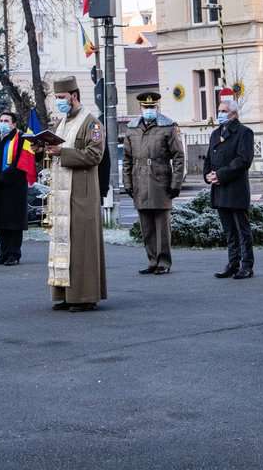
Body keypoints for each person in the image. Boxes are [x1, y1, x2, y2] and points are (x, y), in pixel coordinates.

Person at [44, 76, 107, 312]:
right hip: (63, 194)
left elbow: (94, 156)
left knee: (82, 246)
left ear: (74, 95)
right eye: (56, 98)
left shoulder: (92, 123)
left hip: (82, 193)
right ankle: (65, 293)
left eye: (61, 98)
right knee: (64, 245)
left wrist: (62, 152)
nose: (58, 102)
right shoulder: (63, 123)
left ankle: (85, 296)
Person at [122, 92, 186, 275]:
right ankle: (152, 260)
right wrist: (127, 183)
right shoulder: (132, 128)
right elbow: (127, 159)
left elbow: (178, 157)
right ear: (140, 108)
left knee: (162, 226)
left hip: (161, 181)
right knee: (147, 226)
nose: (149, 110)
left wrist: (176, 183)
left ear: (157, 107)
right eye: (145, 107)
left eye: (152, 107)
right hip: (139, 181)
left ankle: (163, 262)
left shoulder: (167, 126)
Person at [205, 99, 255, 279]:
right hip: (219, 189)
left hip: (235, 188)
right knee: (229, 230)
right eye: (219, 110)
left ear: (233, 113)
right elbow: (209, 157)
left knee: (242, 229)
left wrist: (221, 174)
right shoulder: (215, 133)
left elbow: (243, 160)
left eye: (224, 111)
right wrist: (208, 175)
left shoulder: (244, 133)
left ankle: (247, 265)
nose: (220, 114)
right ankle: (233, 263)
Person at [0, 111, 32, 267]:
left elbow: (21, 164)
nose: (2, 123)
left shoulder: (22, 140)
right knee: (0, 222)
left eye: (6, 121)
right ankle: (3, 254)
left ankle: (14, 254)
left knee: (13, 223)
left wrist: (2, 178)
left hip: (14, 188)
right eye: (1, 120)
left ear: (14, 124)